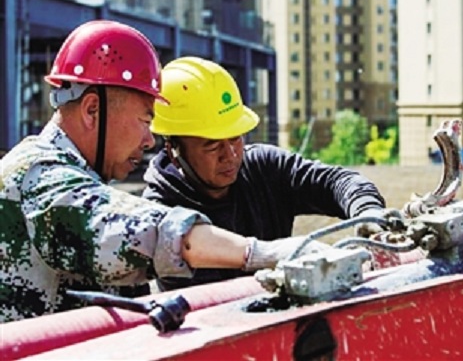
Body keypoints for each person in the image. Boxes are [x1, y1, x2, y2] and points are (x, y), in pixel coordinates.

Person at [0, 20, 326, 323]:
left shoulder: (79, 177)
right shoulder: (35, 176)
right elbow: (146, 232)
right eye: (145, 120)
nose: (149, 139)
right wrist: (262, 253)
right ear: (91, 109)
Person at [142, 56, 388, 291]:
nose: (230, 154)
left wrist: (367, 212)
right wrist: (273, 255)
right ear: (173, 150)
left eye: (235, 138)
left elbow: (338, 182)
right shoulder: (158, 214)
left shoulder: (263, 168)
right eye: (212, 145)